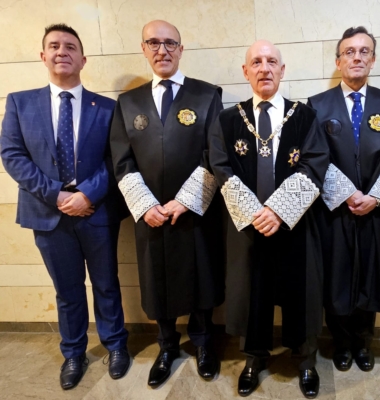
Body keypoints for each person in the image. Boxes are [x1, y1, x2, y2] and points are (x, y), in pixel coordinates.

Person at [0, 24, 130, 390]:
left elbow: (115, 158)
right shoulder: (20, 102)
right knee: (67, 289)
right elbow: (12, 155)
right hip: (47, 214)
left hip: (97, 212)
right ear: (42, 56)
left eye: (70, 46)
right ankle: (73, 353)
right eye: (54, 46)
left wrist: (88, 194)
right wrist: (56, 195)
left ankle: (116, 345)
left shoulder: (106, 107)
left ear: (83, 59)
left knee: (107, 284)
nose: (62, 51)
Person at [209, 40, 328, 399]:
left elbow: (315, 162)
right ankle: (253, 358)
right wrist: (255, 214)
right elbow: (220, 166)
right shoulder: (228, 120)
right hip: (248, 227)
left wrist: (279, 210)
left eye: (272, 61)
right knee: (250, 290)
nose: (265, 68)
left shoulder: (304, 115)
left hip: (295, 224)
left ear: (282, 69)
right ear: (245, 71)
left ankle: (305, 359)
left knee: (302, 290)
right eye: (256, 62)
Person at [109, 20, 224, 387]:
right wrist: (145, 205)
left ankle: (205, 343)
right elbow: (121, 160)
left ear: (181, 49)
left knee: (201, 275)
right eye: (154, 43)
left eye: (170, 43)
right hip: (151, 214)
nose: (163, 50)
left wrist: (186, 201)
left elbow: (215, 154)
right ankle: (167, 344)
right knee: (156, 280)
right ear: (143, 49)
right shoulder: (128, 103)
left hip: (194, 212)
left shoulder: (207, 95)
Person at [307, 27, 380, 373]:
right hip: (335, 209)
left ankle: (363, 340)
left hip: (374, 211)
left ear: (373, 59)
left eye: (365, 51)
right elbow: (315, 156)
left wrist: (375, 196)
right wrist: (349, 194)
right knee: (337, 275)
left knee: (370, 274)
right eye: (349, 52)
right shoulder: (318, 105)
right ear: (338, 60)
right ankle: (341, 341)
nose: (357, 57)